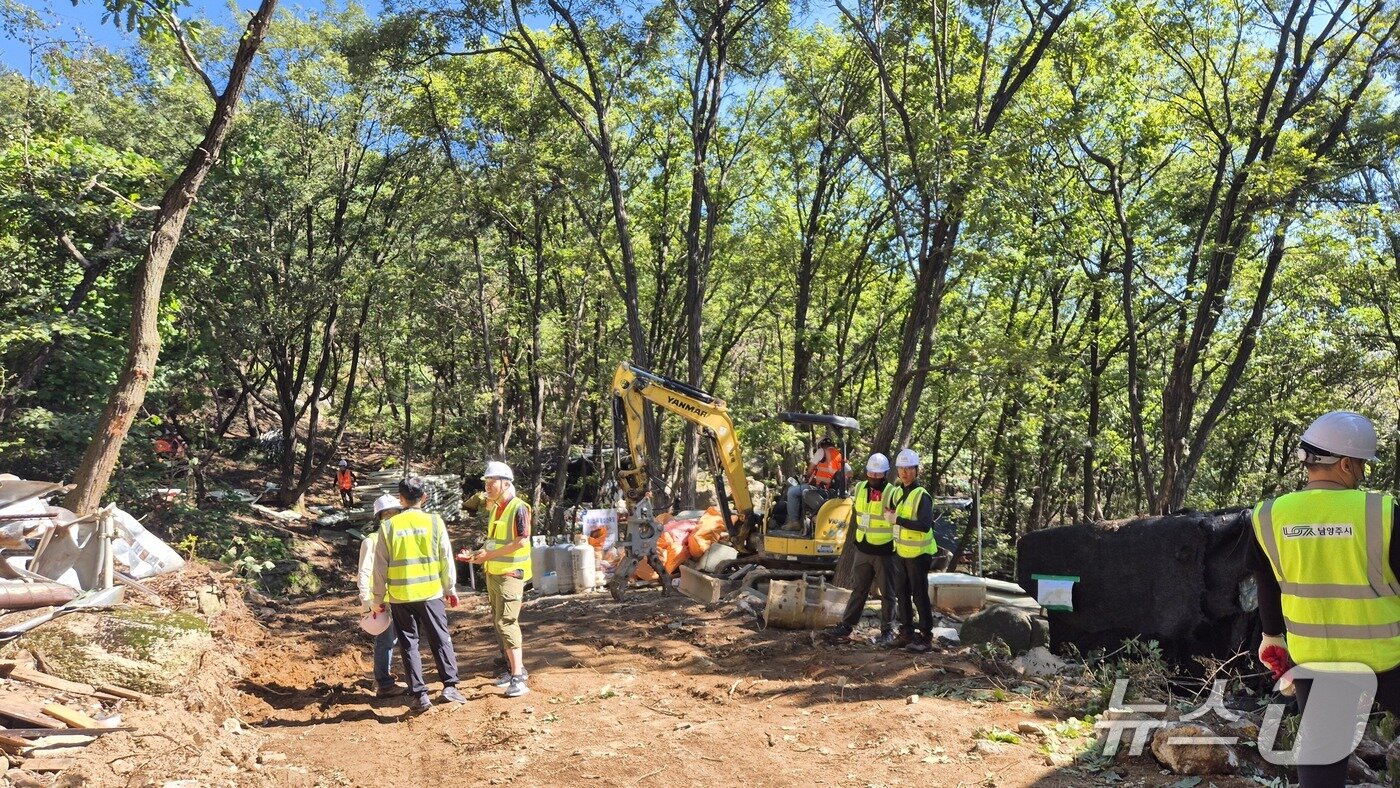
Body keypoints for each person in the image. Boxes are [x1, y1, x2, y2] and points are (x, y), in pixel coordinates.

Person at [1250, 410, 1400, 788]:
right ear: (1347, 464)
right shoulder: (1380, 512)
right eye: (1362, 464)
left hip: (1318, 659)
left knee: (1323, 761)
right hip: (1389, 657)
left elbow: (1267, 584)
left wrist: (1272, 638)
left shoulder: (1269, 516)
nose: (1363, 472)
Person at [372, 476, 464, 712]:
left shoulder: (389, 526)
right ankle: (450, 686)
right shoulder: (434, 522)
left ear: (401, 499)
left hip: (401, 596)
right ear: (424, 497)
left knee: (409, 645)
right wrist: (449, 588)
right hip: (430, 593)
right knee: (440, 639)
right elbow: (445, 557)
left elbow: (380, 567)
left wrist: (377, 600)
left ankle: (419, 695)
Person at [463, 461, 533, 699]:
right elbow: (493, 542)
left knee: (507, 622)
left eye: (491, 481)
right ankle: (512, 669)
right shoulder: (497, 509)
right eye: (486, 481)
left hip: (511, 575)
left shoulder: (519, 507)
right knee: (498, 621)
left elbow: (522, 540)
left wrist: (488, 555)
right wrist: (476, 556)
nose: (488, 486)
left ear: (506, 482)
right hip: (494, 574)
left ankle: (518, 678)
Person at [827, 453, 902, 646]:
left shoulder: (893, 493)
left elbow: (899, 519)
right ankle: (846, 626)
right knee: (859, 590)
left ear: (885, 474)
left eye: (878, 474)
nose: (874, 477)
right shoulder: (860, 488)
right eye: (871, 473)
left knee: (888, 593)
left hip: (885, 551)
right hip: (863, 548)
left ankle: (887, 631)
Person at [888, 448, 936, 654]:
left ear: (916, 470)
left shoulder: (921, 495)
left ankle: (926, 637)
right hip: (902, 552)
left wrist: (897, 519)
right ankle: (906, 632)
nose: (905, 472)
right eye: (902, 468)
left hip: (919, 555)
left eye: (909, 468)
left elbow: (925, 525)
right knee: (902, 593)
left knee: (919, 595)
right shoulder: (899, 492)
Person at [358, 494, 404, 698]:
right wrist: (367, 602)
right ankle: (384, 683)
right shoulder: (372, 541)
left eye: (395, 513)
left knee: (399, 639)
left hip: (400, 596)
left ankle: (388, 677)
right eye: (388, 514)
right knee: (385, 640)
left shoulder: (401, 538)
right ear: (380, 518)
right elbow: (364, 572)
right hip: (380, 601)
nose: (392, 517)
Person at [786, 437, 845, 531]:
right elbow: (847, 473)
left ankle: (794, 522)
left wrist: (807, 477)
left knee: (792, 492)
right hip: (831, 491)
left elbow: (811, 468)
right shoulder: (839, 455)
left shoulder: (822, 451)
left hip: (821, 490)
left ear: (820, 445)